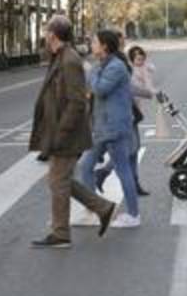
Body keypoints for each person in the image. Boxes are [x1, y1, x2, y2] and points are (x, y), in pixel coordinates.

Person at [28, 15, 115, 249]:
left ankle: (61, 234)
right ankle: (102, 208)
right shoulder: (61, 57)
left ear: (53, 35)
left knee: (57, 181)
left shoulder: (69, 60)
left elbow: (78, 102)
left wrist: (60, 133)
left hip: (67, 134)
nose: (45, 35)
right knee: (60, 180)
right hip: (62, 132)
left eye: (47, 31)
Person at [77, 30, 141, 229]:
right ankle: (95, 209)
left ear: (104, 46)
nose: (91, 45)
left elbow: (100, 89)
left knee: (123, 169)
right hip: (102, 127)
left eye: (94, 42)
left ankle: (133, 214)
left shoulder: (116, 67)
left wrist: (90, 72)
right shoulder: (103, 66)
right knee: (86, 166)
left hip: (114, 128)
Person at [98, 45, 154, 197]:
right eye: (137, 57)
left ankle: (133, 183)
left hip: (132, 116)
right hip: (125, 117)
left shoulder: (133, 70)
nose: (140, 59)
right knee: (129, 149)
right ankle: (104, 173)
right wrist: (151, 92)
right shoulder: (123, 73)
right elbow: (136, 90)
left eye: (142, 56)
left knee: (133, 149)